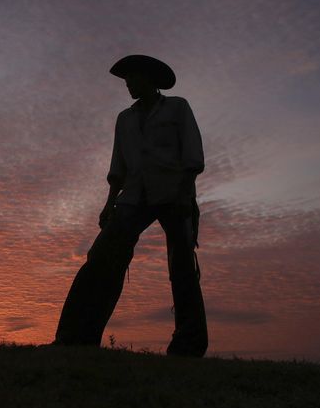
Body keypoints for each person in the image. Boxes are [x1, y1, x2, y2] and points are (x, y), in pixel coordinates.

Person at [54, 54, 208, 357]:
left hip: (173, 194)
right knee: (100, 258)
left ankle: (188, 345)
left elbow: (192, 156)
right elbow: (118, 168)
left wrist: (184, 196)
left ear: (148, 78)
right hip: (133, 196)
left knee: (182, 269)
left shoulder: (177, 107)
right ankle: (76, 337)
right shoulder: (124, 119)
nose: (127, 84)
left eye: (131, 78)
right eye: (125, 79)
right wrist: (109, 204)